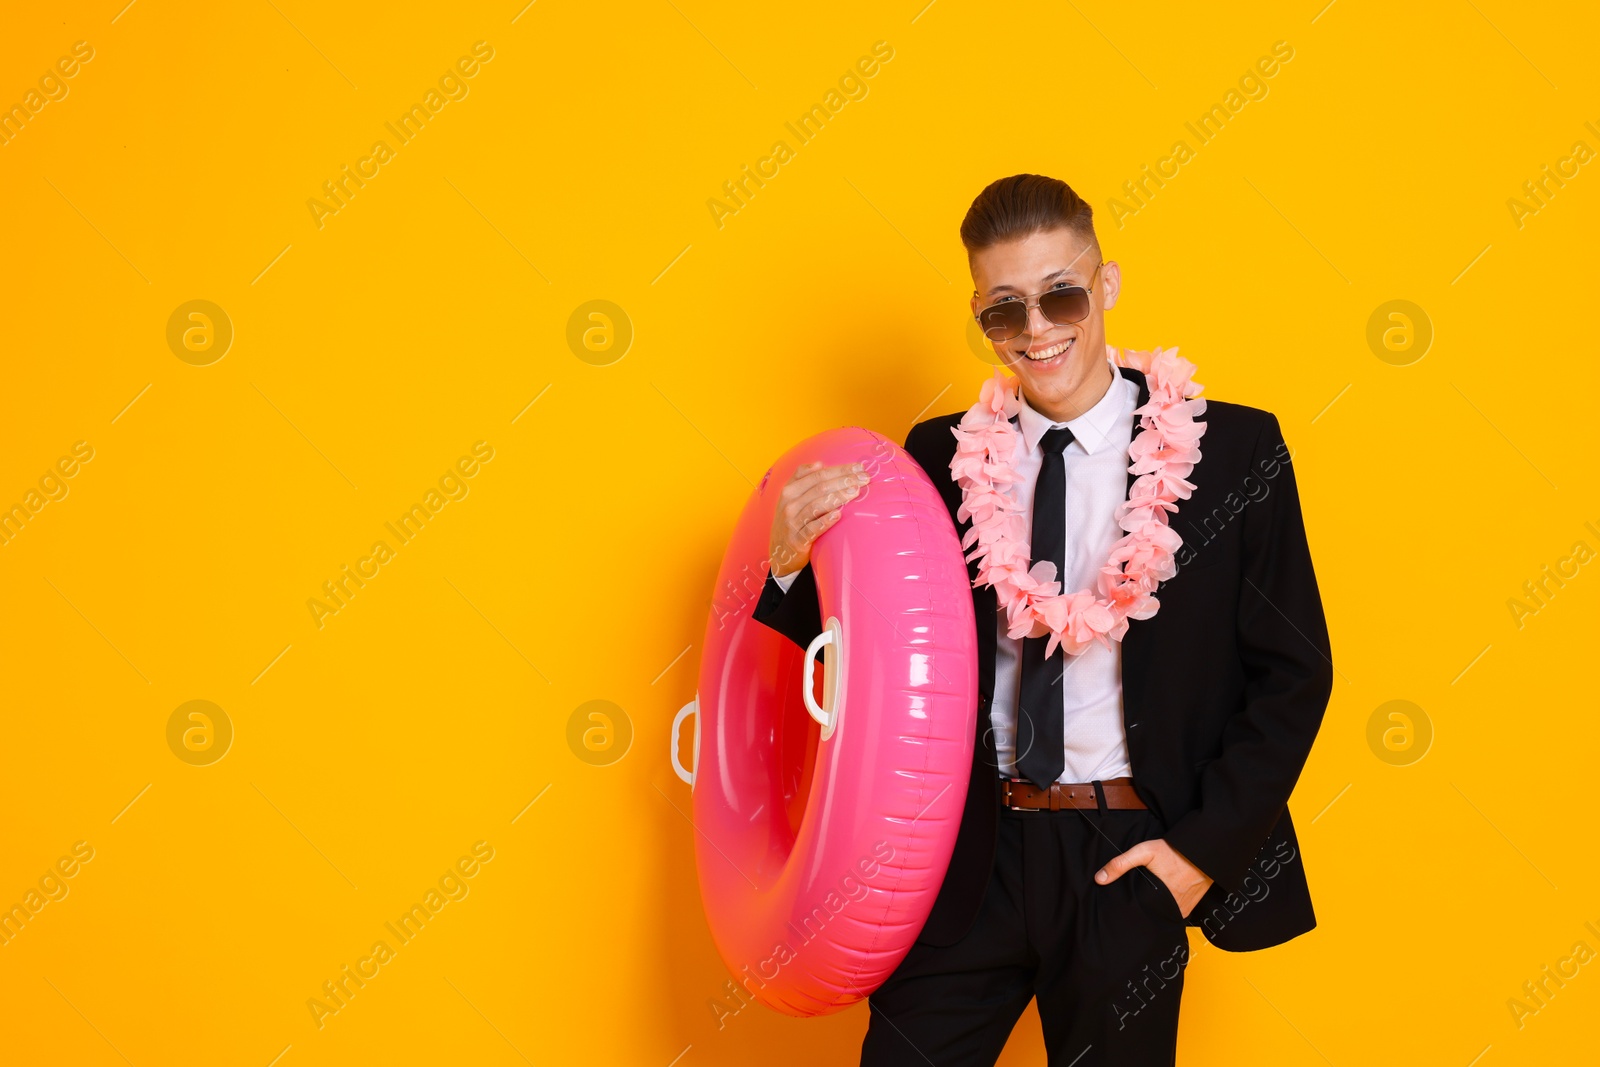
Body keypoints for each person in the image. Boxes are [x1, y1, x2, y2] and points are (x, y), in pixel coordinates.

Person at [751, 174, 1333, 1066]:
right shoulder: (937, 459)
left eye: (1061, 294)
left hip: (1128, 859)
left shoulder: (1235, 451)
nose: (1037, 330)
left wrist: (1193, 860)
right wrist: (787, 563)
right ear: (979, 314)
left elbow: (1295, 675)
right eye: (1004, 310)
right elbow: (855, 654)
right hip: (970, 859)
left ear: (1106, 285)